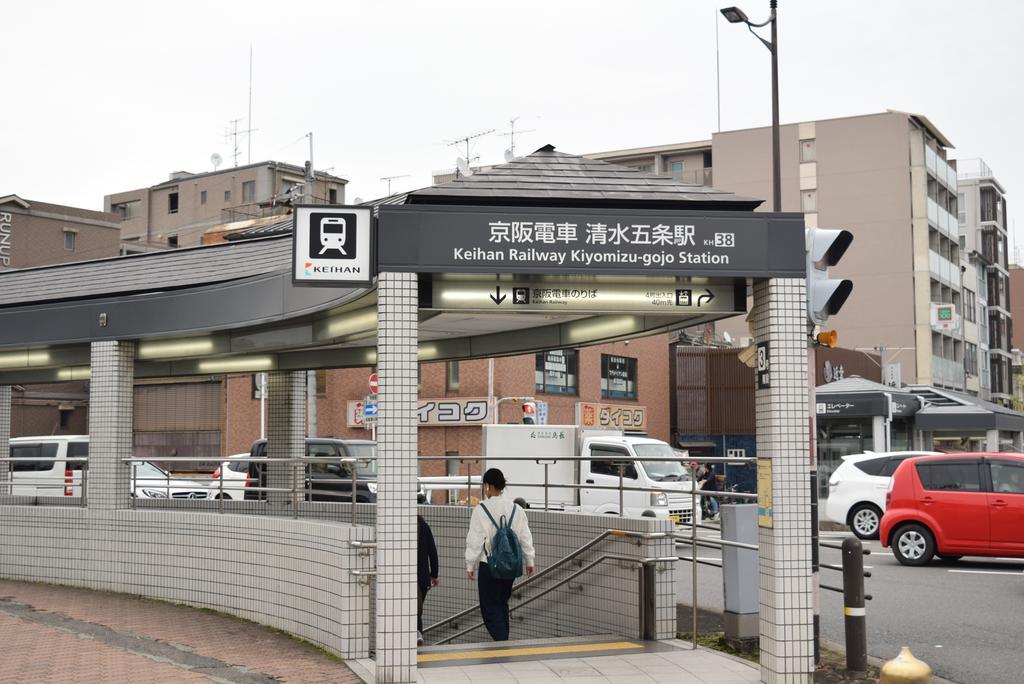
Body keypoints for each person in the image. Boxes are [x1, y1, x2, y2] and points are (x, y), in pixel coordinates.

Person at [465, 468, 535, 641]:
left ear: (487, 486)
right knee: (502, 604)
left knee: (489, 607)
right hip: (510, 566)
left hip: (489, 565)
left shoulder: (481, 509)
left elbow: (475, 540)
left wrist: (470, 564)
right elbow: (525, 537)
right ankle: (503, 641)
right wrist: (529, 560)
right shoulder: (516, 509)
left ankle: (502, 642)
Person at [417, 514, 439, 646]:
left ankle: (416, 633)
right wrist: (434, 574)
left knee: (413, 608)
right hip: (423, 578)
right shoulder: (424, 526)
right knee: (417, 608)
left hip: (405, 576)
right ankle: (417, 634)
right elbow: (433, 551)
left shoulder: (398, 526)